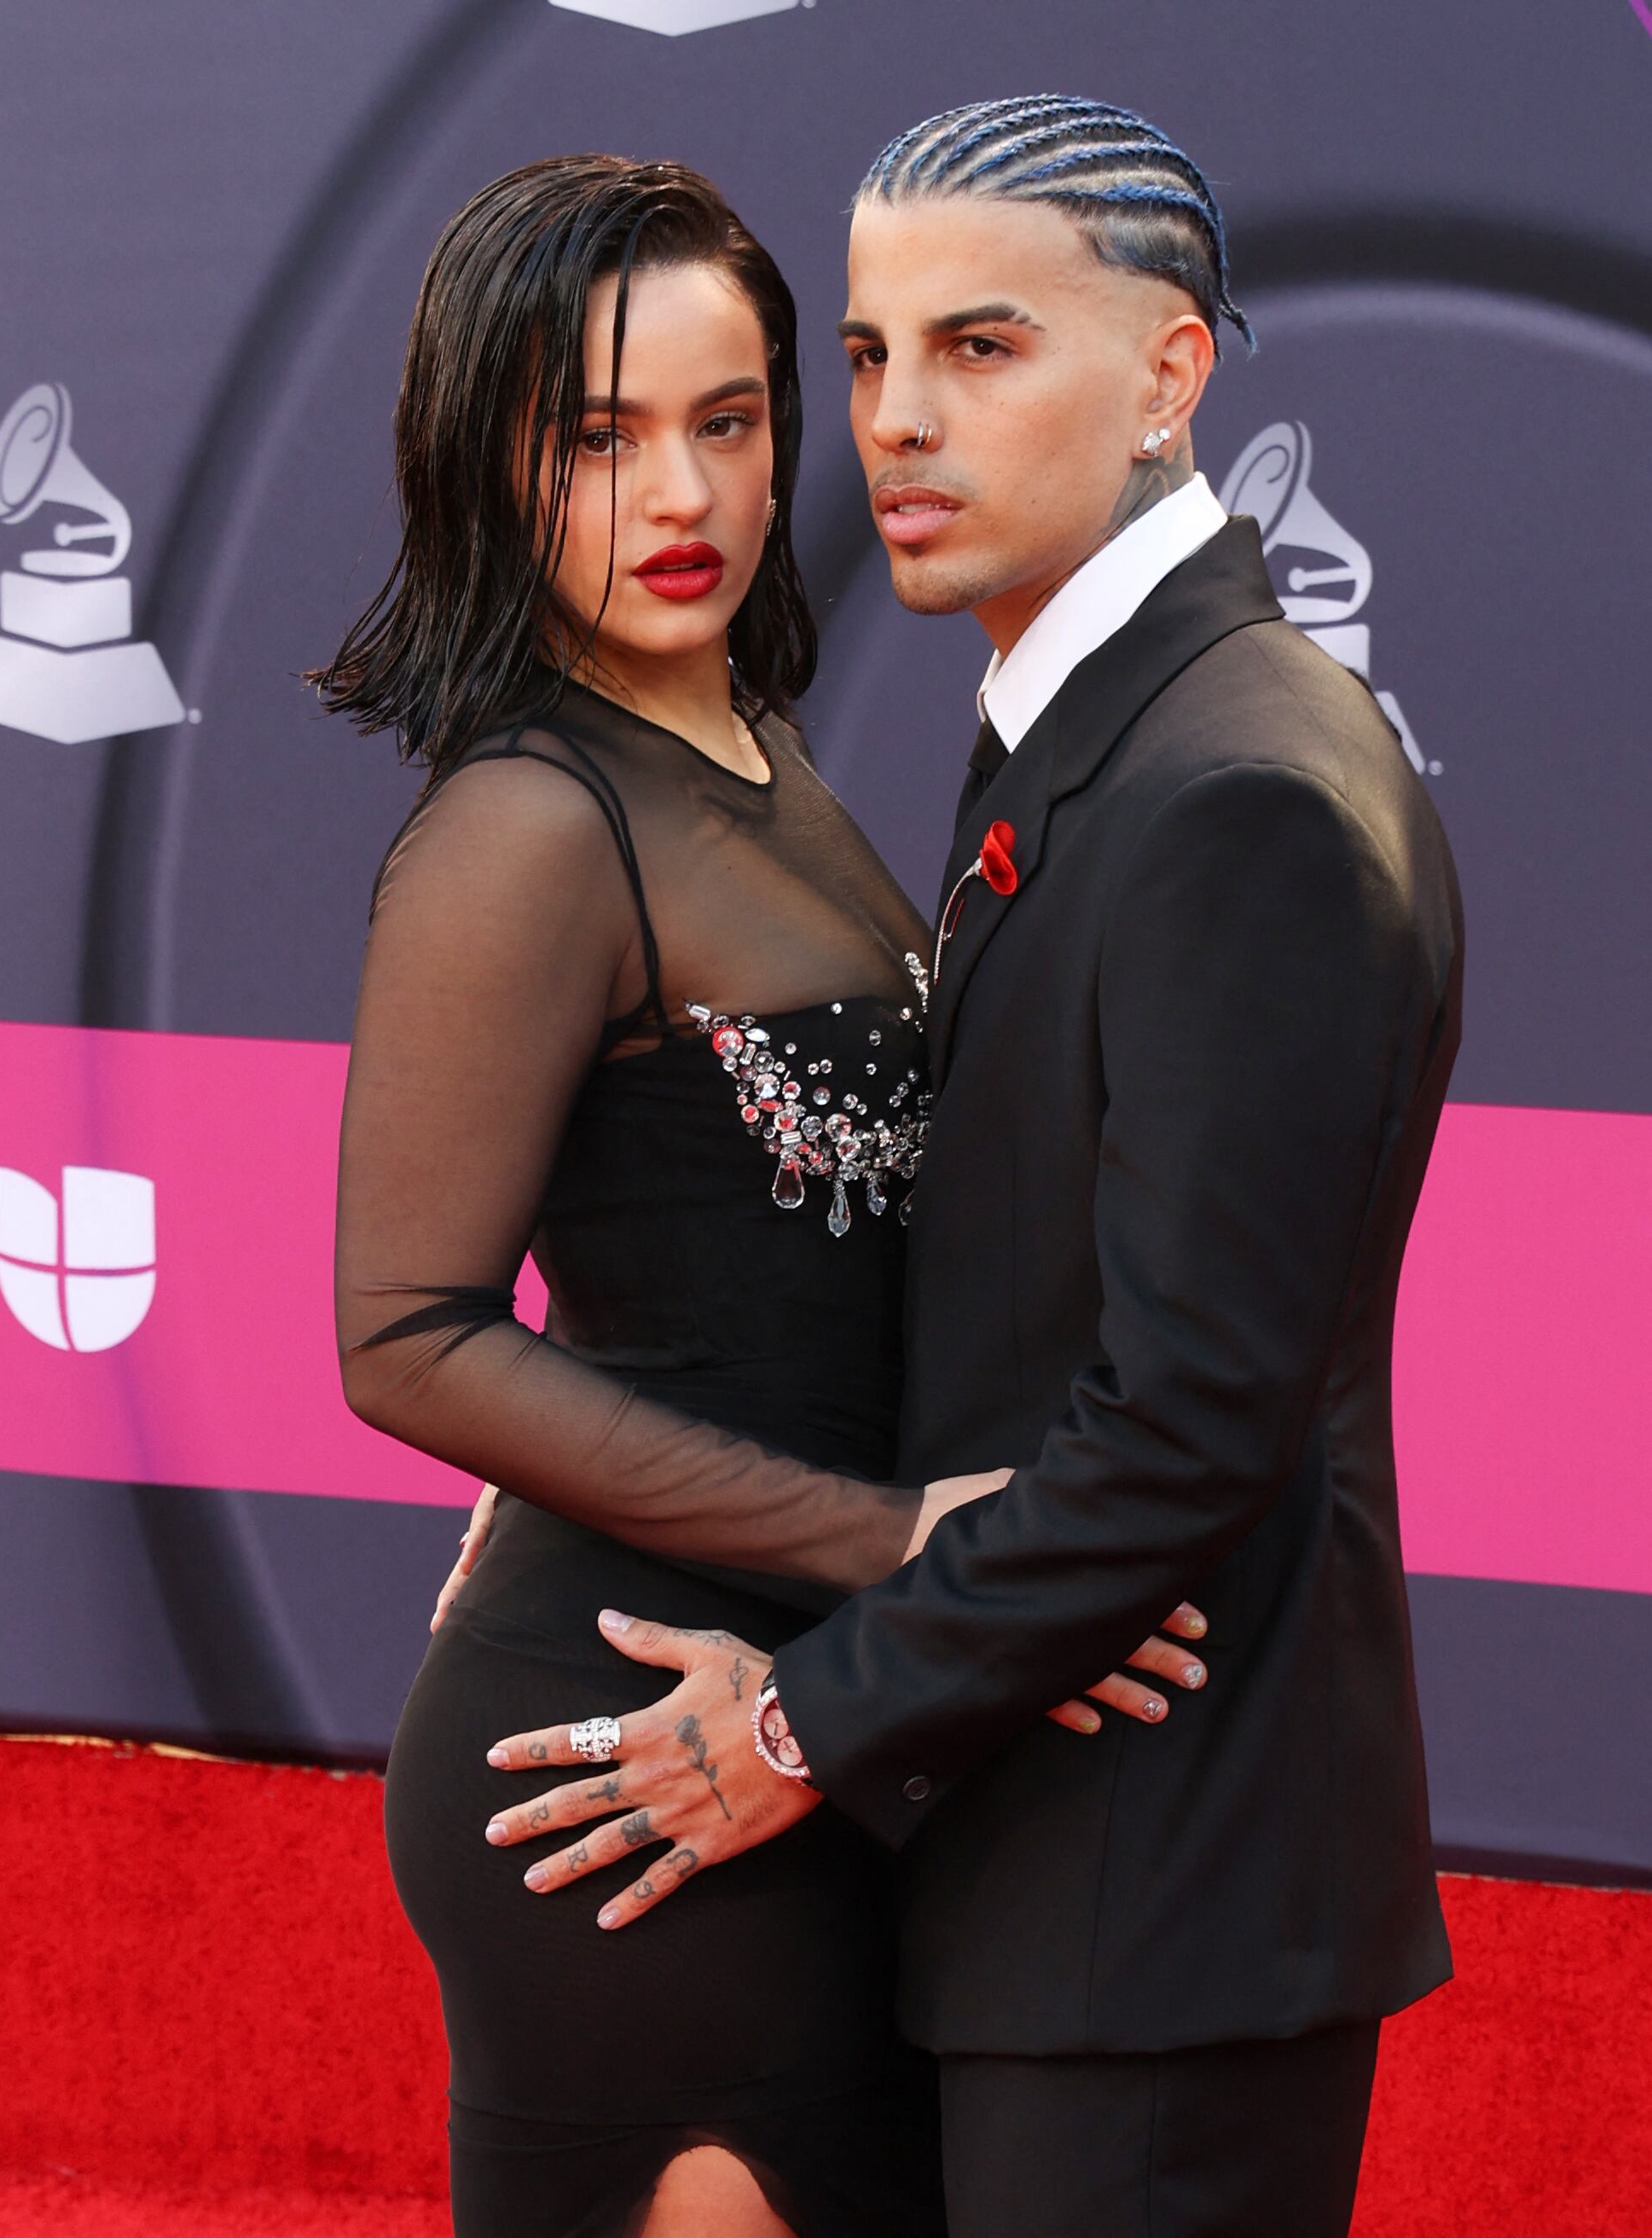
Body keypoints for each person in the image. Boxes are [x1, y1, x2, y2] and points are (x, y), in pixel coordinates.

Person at [493, 99, 1464, 2238]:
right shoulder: (1081, 722)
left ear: (1171, 374)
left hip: (1158, 1898)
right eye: (861, 357)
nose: (896, 424)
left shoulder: (1237, 793)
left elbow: (1188, 1418)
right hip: (1059, 1865)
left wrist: (789, 1730)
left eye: (982, 348)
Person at [316, 154, 1208, 2238]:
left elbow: (714, 1243)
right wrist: (901, 1542)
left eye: (727, 421)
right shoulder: (525, 825)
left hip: (814, 1729)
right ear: (483, 457)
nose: (682, 495)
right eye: (600, 438)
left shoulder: (746, 742)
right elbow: (402, 1333)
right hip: (621, 1763)